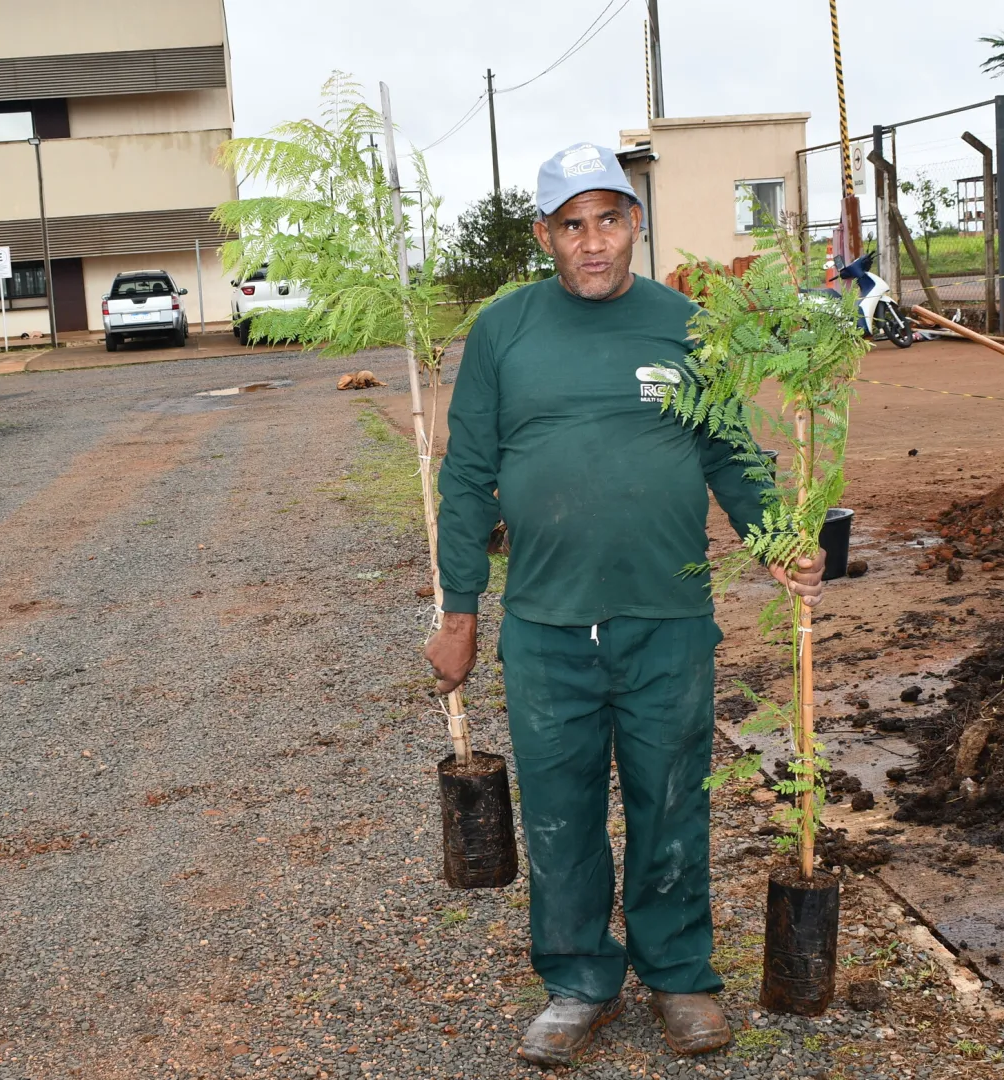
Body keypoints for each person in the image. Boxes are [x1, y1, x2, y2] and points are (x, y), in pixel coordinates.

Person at [425, 142, 826, 1067]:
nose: (593, 241)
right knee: (559, 813)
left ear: (635, 222)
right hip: (546, 625)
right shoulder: (505, 332)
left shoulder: (686, 326)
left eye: (609, 219)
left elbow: (730, 453)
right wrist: (459, 616)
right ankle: (577, 983)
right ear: (545, 236)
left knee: (671, 803)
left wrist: (778, 543)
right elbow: (469, 476)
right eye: (573, 225)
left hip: (667, 619)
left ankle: (680, 978)